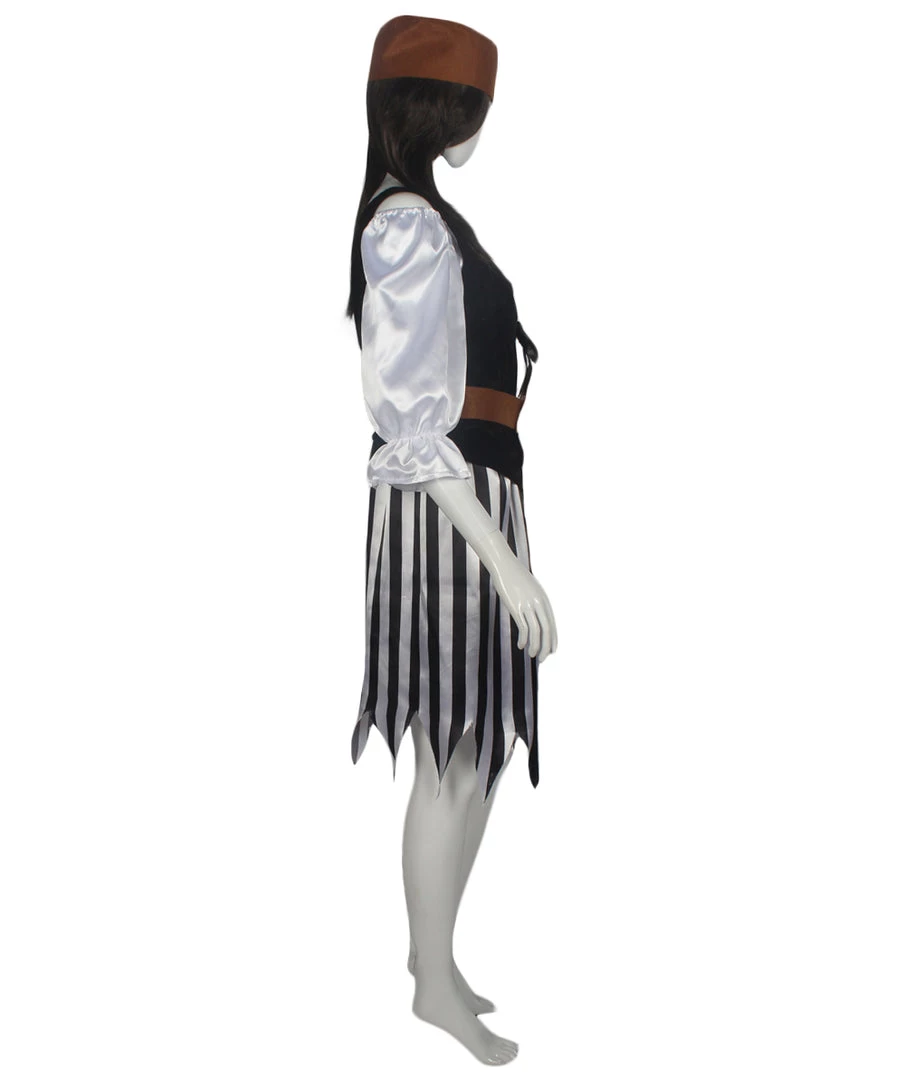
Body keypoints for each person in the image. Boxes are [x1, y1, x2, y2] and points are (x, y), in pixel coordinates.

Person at [345, 16, 557, 1065]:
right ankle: (431, 979)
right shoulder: (404, 226)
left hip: (476, 497)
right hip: (445, 512)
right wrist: (503, 559)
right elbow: (407, 424)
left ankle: (435, 955)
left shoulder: (426, 215)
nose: (479, 130)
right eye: (475, 110)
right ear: (439, 109)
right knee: (449, 749)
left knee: (474, 748)